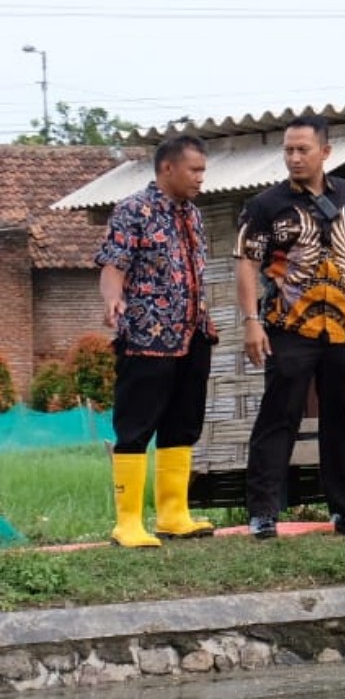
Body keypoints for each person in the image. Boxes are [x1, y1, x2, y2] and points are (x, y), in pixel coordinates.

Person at [235, 114, 345, 539]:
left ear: (325, 152)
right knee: (278, 415)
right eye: (288, 149)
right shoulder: (265, 205)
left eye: (302, 149)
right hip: (288, 327)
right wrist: (251, 322)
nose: (294, 157)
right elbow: (247, 264)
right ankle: (263, 512)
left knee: (344, 417)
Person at [95, 134, 218, 547]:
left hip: (193, 333)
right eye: (194, 169)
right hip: (148, 335)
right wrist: (113, 301)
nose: (201, 177)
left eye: (203, 169)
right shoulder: (133, 210)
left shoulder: (195, 215)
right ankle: (127, 523)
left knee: (183, 424)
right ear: (168, 168)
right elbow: (114, 265)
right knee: (135, 426)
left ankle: (173, 515)